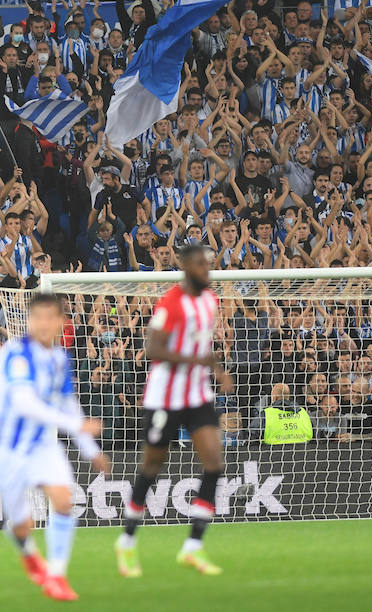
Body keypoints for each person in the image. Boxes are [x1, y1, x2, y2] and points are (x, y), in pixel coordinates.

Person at [0, 291, 107, 602]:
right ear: (30, 321)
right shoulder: (15, 354)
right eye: (39, 317)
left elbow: (68, 405)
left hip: (40, 446)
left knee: (64, 502)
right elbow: (25, 404)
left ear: (61, 322)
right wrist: (75, 426)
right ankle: (26, 547)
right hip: (3, 449)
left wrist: (91, 450)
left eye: (51, 317)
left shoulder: (59, 358)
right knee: (24, 525)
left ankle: (57, 575)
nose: (44, 323)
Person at [116, 243, 233, 577]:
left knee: (214, 461)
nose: (205, 270)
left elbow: (202, 343)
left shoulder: (210, 300)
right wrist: (198, 361)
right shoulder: (171, 302)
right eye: (199, 265)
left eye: (208, 264)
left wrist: (217, 368)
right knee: (152, 465)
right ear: (185, 267)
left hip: (197, 394)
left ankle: (193, 547)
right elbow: (153, 347)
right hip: (164, 396)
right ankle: (126, 541)